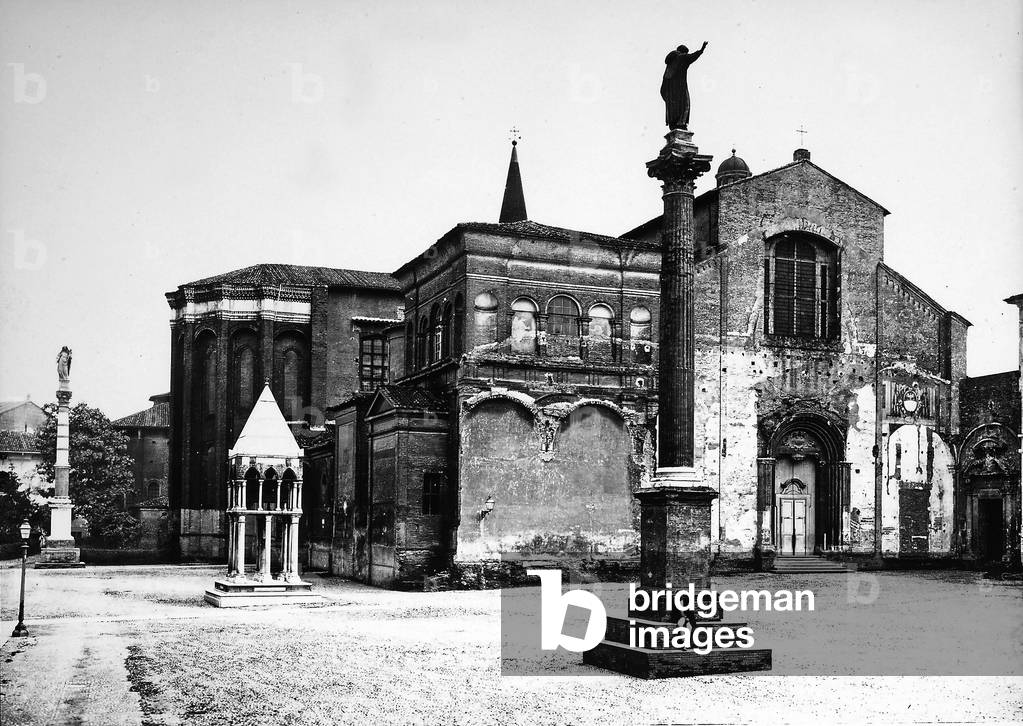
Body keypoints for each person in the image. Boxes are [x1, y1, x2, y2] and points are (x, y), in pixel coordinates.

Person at [660, 41, 708, 129]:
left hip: (670, 91)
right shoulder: (681, 57)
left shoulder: (670, 63)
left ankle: (673, 124)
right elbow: (692, 57)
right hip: (680, 88)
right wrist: (702, 49)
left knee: (673, 107)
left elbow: (664, 84)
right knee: (685, 104)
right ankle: (681, 124)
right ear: (684, 52)